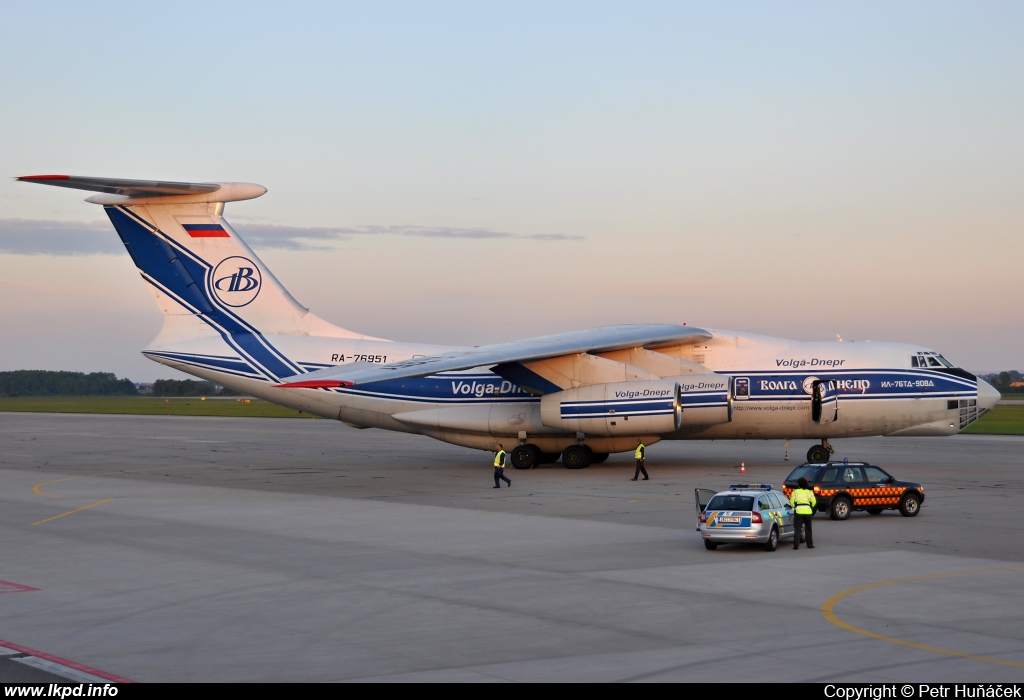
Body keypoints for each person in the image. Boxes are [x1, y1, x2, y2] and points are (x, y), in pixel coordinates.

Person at [790, 477, 816, 549]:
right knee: (808, 528)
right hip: (808, 511)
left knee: (797, 528)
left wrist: (794, 506)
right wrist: (811, 506)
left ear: (799, 484)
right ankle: (810, 545)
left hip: (798, 511)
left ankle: (796, 545)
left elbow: (792, 502)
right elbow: (814, 502)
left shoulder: (795, 492)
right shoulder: (809, 492)